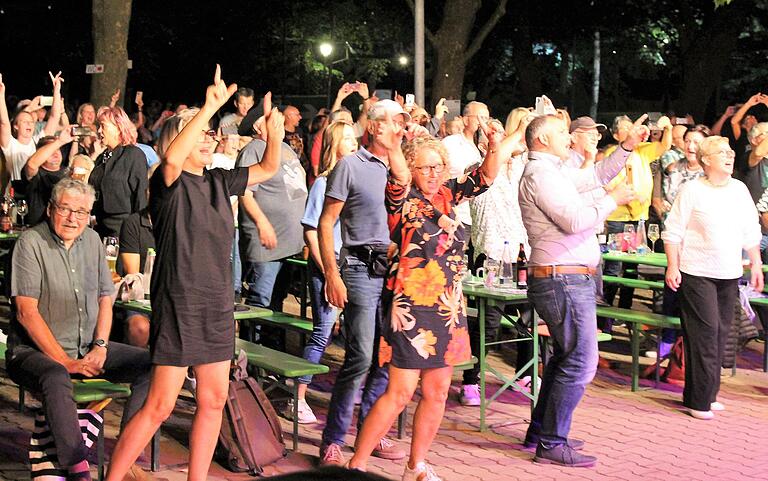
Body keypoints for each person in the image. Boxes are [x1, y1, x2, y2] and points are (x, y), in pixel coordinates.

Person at [104, 66, 284, 481]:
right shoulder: (167, 182)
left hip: (216, 303)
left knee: (214, 397)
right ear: (179, 139)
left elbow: (269, 168)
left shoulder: (220, 181)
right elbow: (171, 157)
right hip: (180, 301)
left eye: (210, 134)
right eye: (200, 134)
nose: (209, 139)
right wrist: (209, 107)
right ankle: (112, 477)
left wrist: (273, 132)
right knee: (161, 404)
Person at [347, 121, 502, 479]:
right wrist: (397, 146)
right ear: (413, 169)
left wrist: (494, 144)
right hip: (409, 304)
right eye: (425, 167)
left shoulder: (449, 193)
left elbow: (485, 177)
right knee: (400, 392)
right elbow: (398, 176)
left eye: (438, 166)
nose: (432, 173)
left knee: (438, 391)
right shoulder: (401, 198)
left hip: (447, 305)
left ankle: (416, 465)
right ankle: (357, 464)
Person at [518, 114, 645, 467]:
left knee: (565, 357)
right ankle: (552, 442)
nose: (568, 136)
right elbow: (573, 220)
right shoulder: (541, 174)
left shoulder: (553, 171)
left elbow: (593, 176)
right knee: (581, 361)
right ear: (542, 139)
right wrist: (612, 201)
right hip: (562, 277)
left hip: (567, 276)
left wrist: (627, 147)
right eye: (561, 132)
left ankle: (542, 431)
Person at [6, 178, 152, 480]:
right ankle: (76, 466)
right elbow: (26, 312)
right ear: (50, 209)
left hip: (87, 345)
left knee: (153, 364)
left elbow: (104, 299)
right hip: (33, 351)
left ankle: (126, 456)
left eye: (82, 212)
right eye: (66, 209)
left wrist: (100, 346)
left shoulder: (94, 242)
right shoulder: (30, 243)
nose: (74, 218)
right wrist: (66, 360)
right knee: (56, 375)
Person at [317, 100, 410, 465]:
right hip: (360, 266)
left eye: (400, 121)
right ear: (371, 127)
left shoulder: (403, 166)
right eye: (388, 121)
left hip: (398, 272)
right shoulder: (350, 165)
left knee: (387, 358)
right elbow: (326, 223)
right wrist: (331, 273)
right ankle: (334, 439)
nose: (396, 127)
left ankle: (372, 433)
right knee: (361, 356)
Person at [662, 135, 763, 420]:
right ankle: (700, 401)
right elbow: (673, 232)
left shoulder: (739, 190)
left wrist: (755, 263)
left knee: (720, 333)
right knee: (704, 334)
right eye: (721, 152)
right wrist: (673, 265)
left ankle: (706, 392)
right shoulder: (692, 190)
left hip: (728, 272)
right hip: (696, 272)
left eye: (730, 151)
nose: (729, 156)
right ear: (706, 160)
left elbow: (750, 229)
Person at [286, 121, 358, 424]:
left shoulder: (356, 178)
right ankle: (297, 398)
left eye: (355, 138)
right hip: (329, 268)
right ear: (333, 145)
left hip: (354, 267)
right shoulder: (323, 183)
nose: (354, 143)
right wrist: (329, 271)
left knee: (356, 336)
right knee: (322, 333)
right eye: (347, 139)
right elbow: (312, 230)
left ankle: (349, 400)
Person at [461, 111, 532, 405]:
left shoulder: (520, 169)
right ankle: (470, 380)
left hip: (521, 253)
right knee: (487, 324)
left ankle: (525, 373)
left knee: (530, 317)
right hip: (492, 256)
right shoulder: (477, 171)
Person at [236, 108, 307, 346]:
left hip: (289, 243)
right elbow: (244, 192)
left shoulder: (285, 149)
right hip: (266, 242)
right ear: (258, 126)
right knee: (260, 302)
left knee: (276, 304)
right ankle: (251, 363)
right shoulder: (253, 150)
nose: (279, 122)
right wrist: (261, 222)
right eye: (272, 119)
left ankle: (271, 354)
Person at [89, 106, 148, 238]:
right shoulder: (101, 157)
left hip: (122, 229)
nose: (99, 131)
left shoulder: (133, 154)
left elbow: (140, 195)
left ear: (118, 127)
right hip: (98, 227)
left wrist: (139, 231)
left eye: (103, 126)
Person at [1, 72, 64, 189]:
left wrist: (56, 89)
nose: (29, 124)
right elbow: (4, 122)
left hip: (34, 190)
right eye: (25, 122)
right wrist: (1, 94)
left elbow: (54, 117)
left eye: (31, 122)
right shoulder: (10, 144)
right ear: (16, 126)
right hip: (13, 192)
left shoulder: (38, 141)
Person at [19, 130, 73, 226]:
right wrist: (60, 141)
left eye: (58, 149)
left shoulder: (69, 173)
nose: (55, 154)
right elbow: (32, 165)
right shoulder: (36, 173)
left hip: (64, 227)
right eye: (51, 151)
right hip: (39, 229)